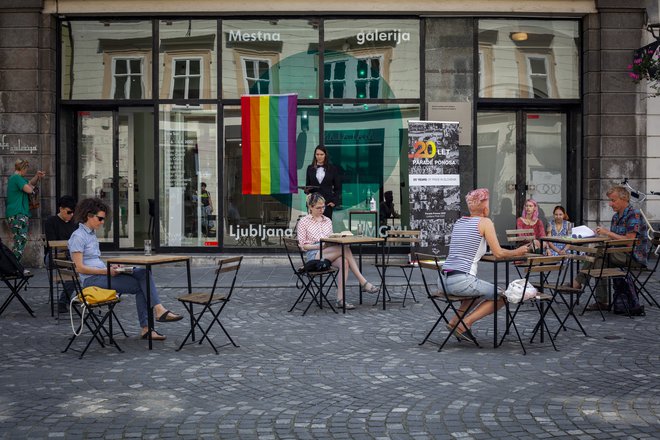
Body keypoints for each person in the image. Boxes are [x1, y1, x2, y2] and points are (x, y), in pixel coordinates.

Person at [68, 198, 183, 341]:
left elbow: (94, 261)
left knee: (143, 273)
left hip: (103, 275)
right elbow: (80, 268)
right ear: (89, 215)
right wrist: (106, 271)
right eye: (100, 218)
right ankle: (150, 324)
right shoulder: (78, 237)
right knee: (143, 286)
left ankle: (156, 314)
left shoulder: (91, 235)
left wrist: (112, 268)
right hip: (92, 282)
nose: (103, 222)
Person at [440, 188, 531, 345]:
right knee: (503, 296)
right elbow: (499, 254)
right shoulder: (485, 222)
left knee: (476, 293)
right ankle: (464, 324)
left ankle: (454, 321)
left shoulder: (460, 222)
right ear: (483, 205)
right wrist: (519, 251)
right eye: (488, 202)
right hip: (462, 281)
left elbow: (469, 248)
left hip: (444, 280)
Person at [297, 193, 379, 310]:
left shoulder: (328, 221)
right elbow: (302, 246)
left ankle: (340, 299)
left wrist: (333, 241)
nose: (322, 210)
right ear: (310, 207)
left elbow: (331, 237)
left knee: (344, 262)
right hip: (314, 255)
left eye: (323, 207)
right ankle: (363, 282)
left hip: (329, 252)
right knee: (345, 248)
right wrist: (319, 246)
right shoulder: (304, 222)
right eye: (318, 208)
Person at [575, 186, 649, 311]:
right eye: (610, 200)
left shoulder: (633, 214)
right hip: (616, 253)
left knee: (598, 251)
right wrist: (600, 235)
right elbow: (614, 240)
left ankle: (577, 282)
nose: (610, 204)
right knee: (599, 260)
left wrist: (608, 233)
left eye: (613, 200)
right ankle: (602, 301)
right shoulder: (615, 217)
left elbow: (630, 242)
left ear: (624, 199)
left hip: (633, 256)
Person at [5, 159, 46, 261]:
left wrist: (37, 176)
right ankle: (14, 266)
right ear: (22, 168)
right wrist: (33, 189)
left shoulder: (18, 179)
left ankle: (15, 266)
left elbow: (30, 184)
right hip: (17, 213)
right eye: (26, 169)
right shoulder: (16, 178)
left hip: (18, 213)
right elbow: (29, 189)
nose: (26, 171)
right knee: (20, 240)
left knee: (20, 240)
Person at [44, 195, 78, 313]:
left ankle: (74, 298)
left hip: (70, 256)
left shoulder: (74, 223)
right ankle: (63, 301)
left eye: (73, 212)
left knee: (79, 267)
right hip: (54, 256)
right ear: (61, 209)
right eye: (69, 212)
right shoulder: (51, 221)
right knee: (74, 270)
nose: (71, 215)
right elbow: (53, 244)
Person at [305, 145, 341, 219]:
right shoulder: (310, 168)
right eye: (317, 154)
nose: (319, 156)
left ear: (325, 155)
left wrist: (334, 201)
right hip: (313, 204)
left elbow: (338, 188)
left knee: (326, 227)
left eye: (321, 154)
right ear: (315, 155)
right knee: (313, 227)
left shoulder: (332, 169)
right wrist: (306, 191)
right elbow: (308, 186)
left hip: (327, 204)